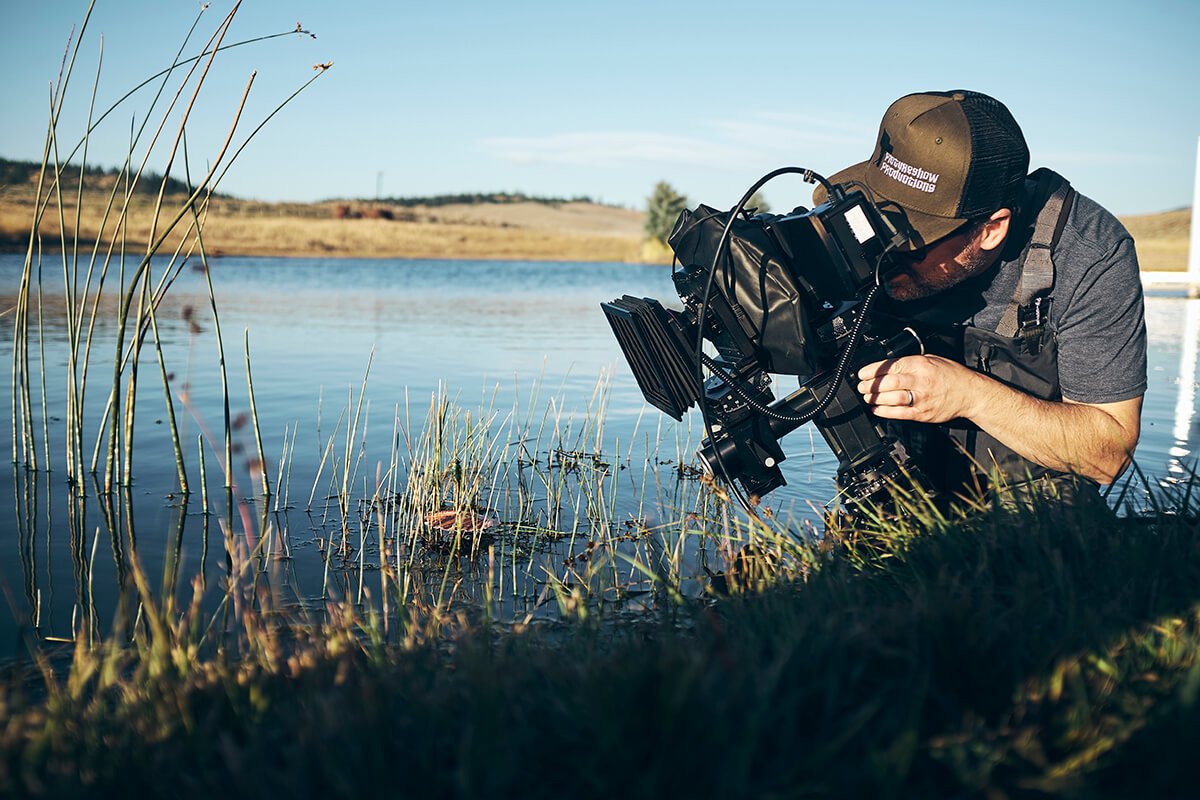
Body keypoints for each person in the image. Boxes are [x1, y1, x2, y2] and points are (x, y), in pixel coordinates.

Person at [821, 90, 1147, 503]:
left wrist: (966, 395)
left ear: (991, 229)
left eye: (911, 243)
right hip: (890, 495)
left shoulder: (1089, 252)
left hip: (1031, 523)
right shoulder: (855, 238)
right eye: (878, 226)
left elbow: (1109, 454)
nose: (886, 256)